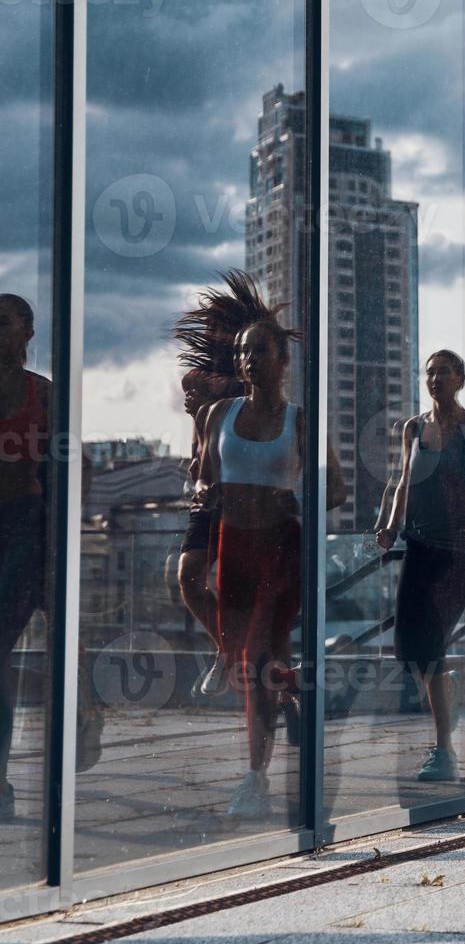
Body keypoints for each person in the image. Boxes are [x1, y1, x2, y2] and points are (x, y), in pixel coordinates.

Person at [199, 291, 346, 819]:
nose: (246, 360)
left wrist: (295, 496)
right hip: (233, 547)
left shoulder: (301, 420)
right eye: (241, 352)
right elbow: (203, 475)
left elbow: (335, 492)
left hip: (282, 550)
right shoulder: (220, 413)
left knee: (252, 660)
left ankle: (254, 778)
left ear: (283, 360)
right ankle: (296, 690)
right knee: (264, 662)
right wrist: (203, 494)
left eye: (258, 351)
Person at [377, 350, 465, 783]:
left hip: (458, 552)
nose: (435, 378)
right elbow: (404, 482)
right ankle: (446, 694)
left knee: (433, 643)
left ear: (460, 378)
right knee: (407, 646)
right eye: (430, 372)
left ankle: (444, 751)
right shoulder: (414, 428)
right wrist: (388, 527)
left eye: (444, 371)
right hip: (418, 546)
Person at [173, 272, 260, 696]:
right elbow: (203, 432)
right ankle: (229, 650)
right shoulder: (197, 379)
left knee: (244, 593)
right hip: (208, 490)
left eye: (226, 326)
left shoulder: (252, 377)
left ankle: (269, 685)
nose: (217, 333)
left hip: (248, 493)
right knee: (189, 576)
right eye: (214, 325)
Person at [0, 294, 49, 821]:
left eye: (3, 324)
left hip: (21, 529)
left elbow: (61, 476)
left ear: (28, 334)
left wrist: (53, 559)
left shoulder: (44, 396)